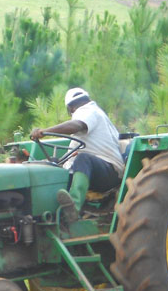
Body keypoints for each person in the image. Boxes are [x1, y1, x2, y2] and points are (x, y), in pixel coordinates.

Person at [30, 87, 124, 222]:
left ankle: (73, 207)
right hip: (106, 171)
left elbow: (77, 125)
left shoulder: (88, 110)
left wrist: (44, 131)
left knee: (83, 158)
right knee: (58, 164)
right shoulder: (99, 114)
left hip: (108, 173)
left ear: (71, 108)